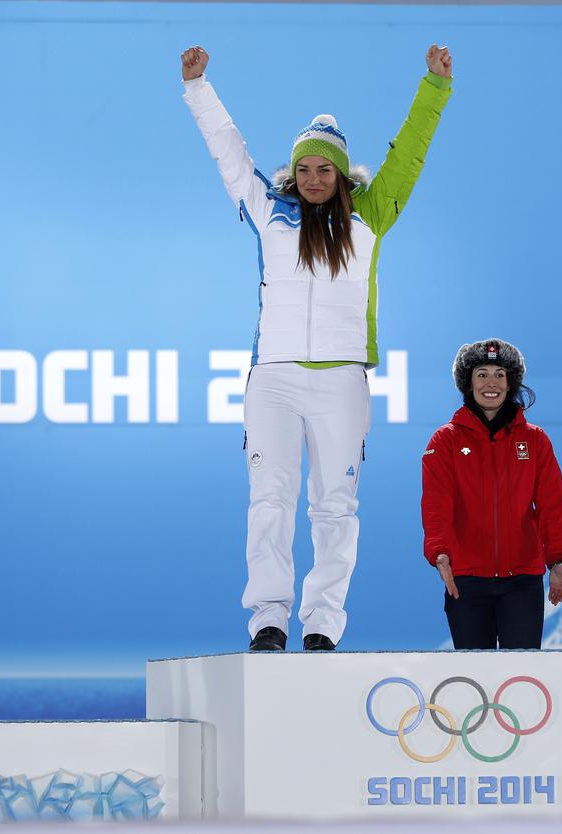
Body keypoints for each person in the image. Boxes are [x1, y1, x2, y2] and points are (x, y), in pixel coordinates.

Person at [181, 44, 452, 651]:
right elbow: (230, 153)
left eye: (324, 170)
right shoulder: (267, 212)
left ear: (340, 173)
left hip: (340, 382)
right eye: (304, 169)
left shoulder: (371, 217)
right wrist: (199, 89)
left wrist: (433, 88)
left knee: (334, 508)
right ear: (293, 173)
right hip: (273, 379)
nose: (312, 179)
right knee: (269, 501)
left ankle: (323, 623)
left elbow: (408, 155)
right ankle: (269, 620)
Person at [421, 339, 562, 650]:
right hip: (466, 581)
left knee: (519, 680)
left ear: (511, 383)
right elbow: (436, 505)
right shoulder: (445, 441)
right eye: (481, 374)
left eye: (499, 374)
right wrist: (439, 552)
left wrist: (558, 559)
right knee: (472, 684)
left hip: (522, 581)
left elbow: (552, 505)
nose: (490, 383)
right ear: (468, 382)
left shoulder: (535, 440)